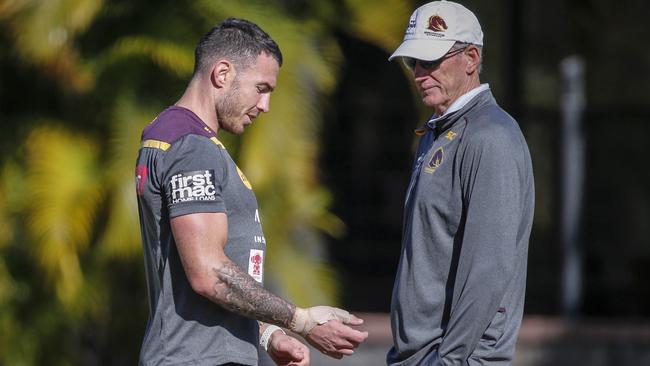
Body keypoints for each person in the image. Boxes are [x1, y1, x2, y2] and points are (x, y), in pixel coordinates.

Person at [134, 18, 368, 366]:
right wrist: (300, 321)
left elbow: (206, 277)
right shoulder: (189, 146)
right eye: (261, 87)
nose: (266, 105)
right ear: (222, 73)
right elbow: (209, 272)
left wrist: (266, 334)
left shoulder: (186, 140)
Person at [385, 1, 535, 365]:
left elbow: (489, 266)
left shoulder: (490, 136)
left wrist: (449, 360)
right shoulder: (440, 131)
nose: (420, 73)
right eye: (414, 62)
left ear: (471, 58)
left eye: (431, 61)